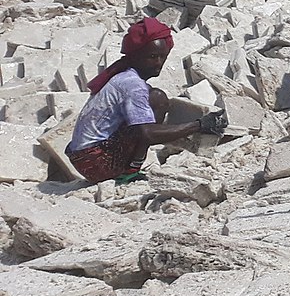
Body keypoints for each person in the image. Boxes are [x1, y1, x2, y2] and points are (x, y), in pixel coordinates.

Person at [67, 18, 224, 183]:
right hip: (96, 163)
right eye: (152, 56)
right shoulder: (132, 85)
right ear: (136, 56)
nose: (159, 63)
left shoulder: (124, 76)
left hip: (83, 158)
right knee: (158, 100)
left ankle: (130, 167)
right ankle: (130, 171)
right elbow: (147, 133)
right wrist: (199, 125)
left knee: (154, 98)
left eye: (162, 57)